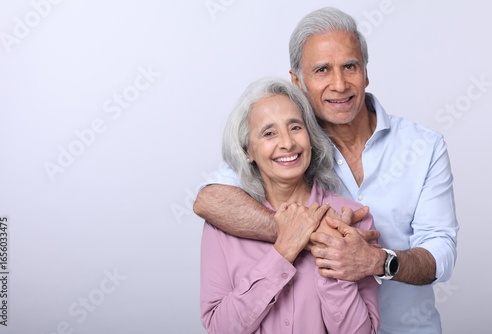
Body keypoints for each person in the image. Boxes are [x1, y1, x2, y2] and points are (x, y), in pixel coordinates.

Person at [195, 7, 459, 334]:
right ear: (297, 81)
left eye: (350, 66)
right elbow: (209, 200)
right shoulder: (288, 151)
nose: (339, 83)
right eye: (322, 69)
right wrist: (303, 235)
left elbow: (441, 250)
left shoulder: (424, 146)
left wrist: (377, 261)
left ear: (365, 72)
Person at [200, 77, 380, 333]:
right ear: (248, 151)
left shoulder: (351, 219)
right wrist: (282, 252)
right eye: (269, 133)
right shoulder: (222, 225)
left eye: (295, 127)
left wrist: (333, 260)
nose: (287, 143)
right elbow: (221, 328)